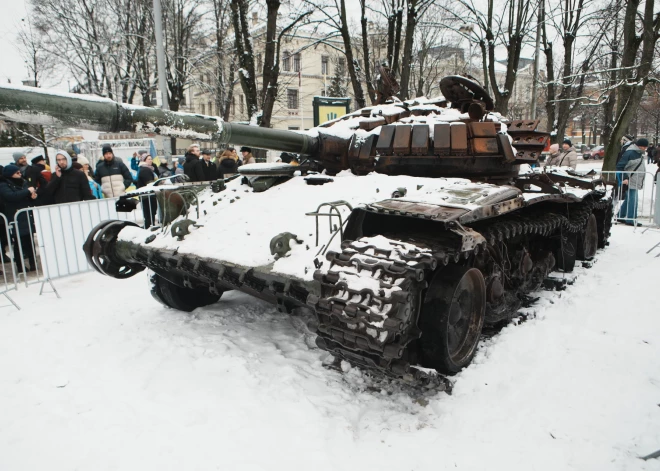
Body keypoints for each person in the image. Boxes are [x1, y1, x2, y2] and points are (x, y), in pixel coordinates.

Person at [0, 164, 38, 272]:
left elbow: (27, 196)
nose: (20, 174)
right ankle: (21, 266)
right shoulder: (3, 185)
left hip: (26, 215)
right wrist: (27, 191)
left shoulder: (23, 182)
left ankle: (33, 263)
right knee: (18, 243)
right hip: (15, 216)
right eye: (17, 173)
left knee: (30, 242)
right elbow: (11, 196)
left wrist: (33, 197)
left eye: (20, 172)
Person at [616, 138, 648, 226]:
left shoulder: (636, 153)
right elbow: (620, 166)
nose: (645, 149)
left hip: (633, 179)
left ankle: (620, 215)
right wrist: (624, 178)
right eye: (644, 147)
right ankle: (631, 219)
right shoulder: (631, 153)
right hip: (630, 180)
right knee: (633, 200)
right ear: (640, 146)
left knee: (629, 199)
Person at [136, 154, 160, 228]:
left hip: (148, 195)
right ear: (144, 160)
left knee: (150, 213)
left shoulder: (149, 169)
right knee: (149, 214)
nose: (151, 160)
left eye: (151, 159)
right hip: (147, 195)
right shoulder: (145, 170)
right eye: (148, 159)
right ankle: (149, 228)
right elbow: (149, 182)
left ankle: (150, 226)